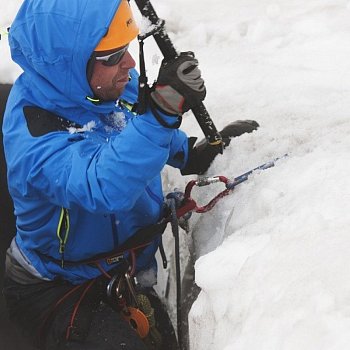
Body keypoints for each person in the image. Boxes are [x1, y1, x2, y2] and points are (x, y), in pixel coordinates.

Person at [2, 0, 259, 349]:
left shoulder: (102, 86)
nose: (129, 63)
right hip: (56, 286)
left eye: (125, 49)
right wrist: (164, 112)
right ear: (68, 64)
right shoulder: (34, 136)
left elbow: (132, 123)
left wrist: (188, 154)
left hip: (120, 269)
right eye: (112, 56)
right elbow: (101, 185)